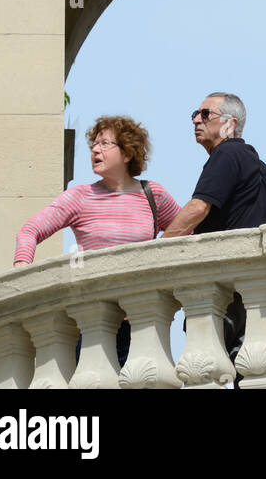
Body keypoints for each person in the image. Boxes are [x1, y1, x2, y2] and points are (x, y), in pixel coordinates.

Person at [14, 115, 181, 365]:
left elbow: (187, 236)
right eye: (94, 144)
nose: (95, 149)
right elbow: (29, 231)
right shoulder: (80, 196)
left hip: (143, 318)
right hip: (93, 320)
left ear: (127, 154)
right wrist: (22, 270)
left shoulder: (152, 195)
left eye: (105, 144)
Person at [162, 92, 266, 366]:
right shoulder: (257, 166)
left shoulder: (227, 153)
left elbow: (197, 209)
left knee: (204, 367)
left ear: (230, 123)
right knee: (249, 371)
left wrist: (153, 250)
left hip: (225, 291)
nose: (196, 119)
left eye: (205, 114)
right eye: (195, 113)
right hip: (254, 292)